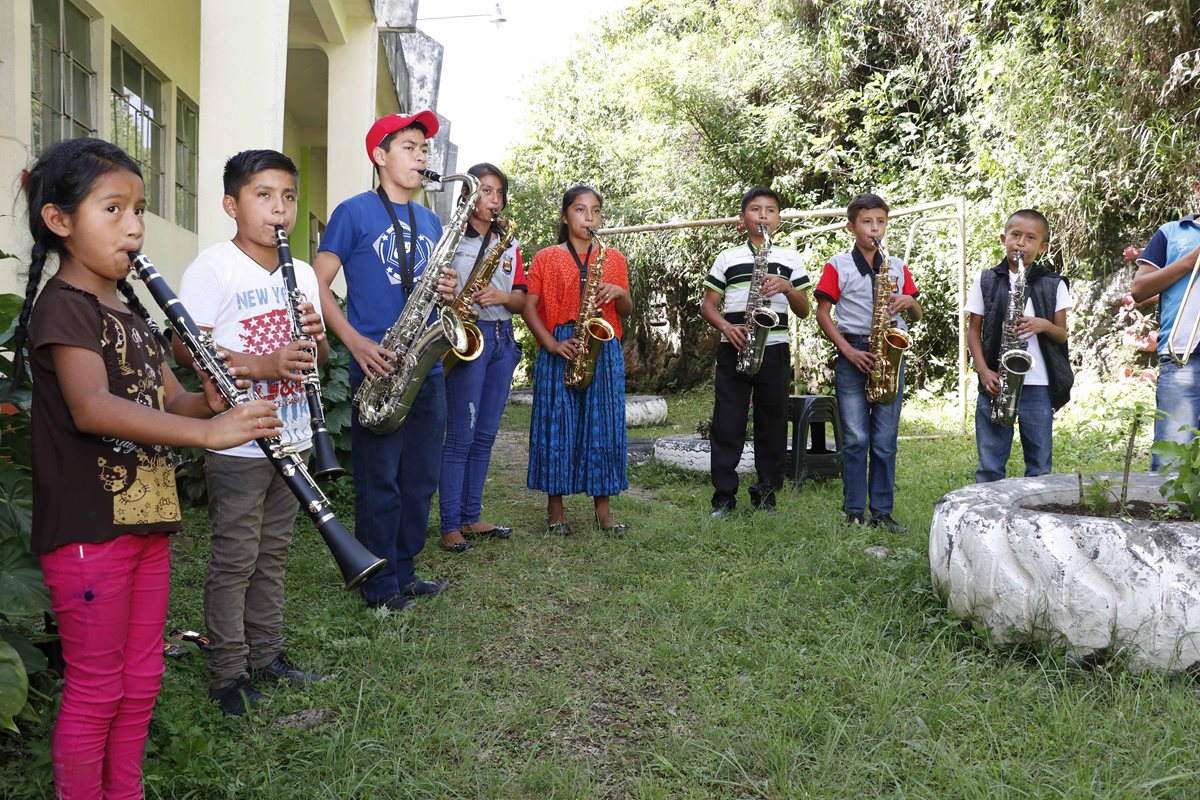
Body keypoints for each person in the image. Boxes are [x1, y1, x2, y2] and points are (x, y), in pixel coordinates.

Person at [11, 137, 279, 799]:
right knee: (98, 688)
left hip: (145, 523)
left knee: (141, 682)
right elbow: (93, 406)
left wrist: (208, 399)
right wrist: (206, 430)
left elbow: (169, 397)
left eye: (139, 209)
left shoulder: (130, 313)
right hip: (87, 533)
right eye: (113, 208)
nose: (134, 225)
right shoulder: (64, 308)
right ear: (60, 220)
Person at [176, 150, 330, 715]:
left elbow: (320, 354)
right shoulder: (214, 267)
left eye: (288, 197)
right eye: (263, 195)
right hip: (240, 441)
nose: (279, 209)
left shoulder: (305, 272)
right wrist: (263, 365)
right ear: (230, 205)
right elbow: (186, 345)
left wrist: (317, 336)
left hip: (293, 434)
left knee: (273, 554)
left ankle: (266, 656)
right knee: (236, 556)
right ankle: (227, 673)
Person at [313, 111, 458, 611]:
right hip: (376, 364)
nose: (422, 157)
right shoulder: (353, 212)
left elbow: (435, 288)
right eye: (411, 147)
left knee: (420, 478)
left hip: (426, 364)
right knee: (382, 480)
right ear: (380, 155)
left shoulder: (433, 220)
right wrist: (353, 341)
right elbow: (317, 281)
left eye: (425, 149)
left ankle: (405, 570)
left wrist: (448, 289)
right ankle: (378, 584)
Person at [523, 185, 632, 535]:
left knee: (604, 427)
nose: (590, 218)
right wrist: (552, 345)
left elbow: (627, 311)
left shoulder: (613, 258)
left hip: (603, 345)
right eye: (581, 210)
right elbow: (528, 307)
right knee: (558, 427)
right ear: (565, 216)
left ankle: (604, 512)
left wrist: (619, 293)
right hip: (561, 342)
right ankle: (555, 510)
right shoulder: (545, 257)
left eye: (596, 211)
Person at [700, 187, 811, 518]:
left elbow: (804, 310)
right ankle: (724, 498)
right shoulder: (727, 258)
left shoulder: (790, 259)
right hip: (734, 345)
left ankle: (766, 495)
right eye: (755, 209)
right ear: (742, 217)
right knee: (727, 423)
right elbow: (708, 306)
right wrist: (726, 328)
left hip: (774, 349)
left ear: (778, 218)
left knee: (773, 424)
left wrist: (789, 288)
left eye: (771, 210)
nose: (763, 216)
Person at [814, 193, 921, 532]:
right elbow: (822, 313)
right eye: (867, 222)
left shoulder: (898, 266)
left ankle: (882, 513)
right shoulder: (838, 265)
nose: (875, 228)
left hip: (890, 353)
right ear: (851, 226)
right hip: (854, 353)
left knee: (886, 440)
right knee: (857, 438)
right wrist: (849, 351)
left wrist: (909, 302)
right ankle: (854, 511)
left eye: (881, 222)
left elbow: (917, 313)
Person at [438, 163, 526, 552]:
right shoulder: (449, 240)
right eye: (485, 191)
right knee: (461, 436)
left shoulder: (508, 242)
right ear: (467, 196)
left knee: (486, 435)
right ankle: (449, 524)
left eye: (498, 193)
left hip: (503, 338)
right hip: (469, 339)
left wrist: (502, 297)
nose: (493, 200)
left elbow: (523, 298)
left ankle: (472, 516)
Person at [966, 209, 1073, 483]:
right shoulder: (987, 279)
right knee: (990, 463)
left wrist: (1043, 325)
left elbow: (1061, 334)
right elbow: (973, 331)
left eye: (1030, 238)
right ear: (1003, 238)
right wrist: (983, 371)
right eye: (1015, 235)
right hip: (996, 381)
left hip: (1038, 384)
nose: (1021, 243)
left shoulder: (1053, 283)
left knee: (1039, 465)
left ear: (1042, 247)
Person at [1131, 191, 1200, 469]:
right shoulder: (1172, 232)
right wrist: (1191, 259)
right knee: (1171, 465)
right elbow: (1140, 290)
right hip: (1182, 356)